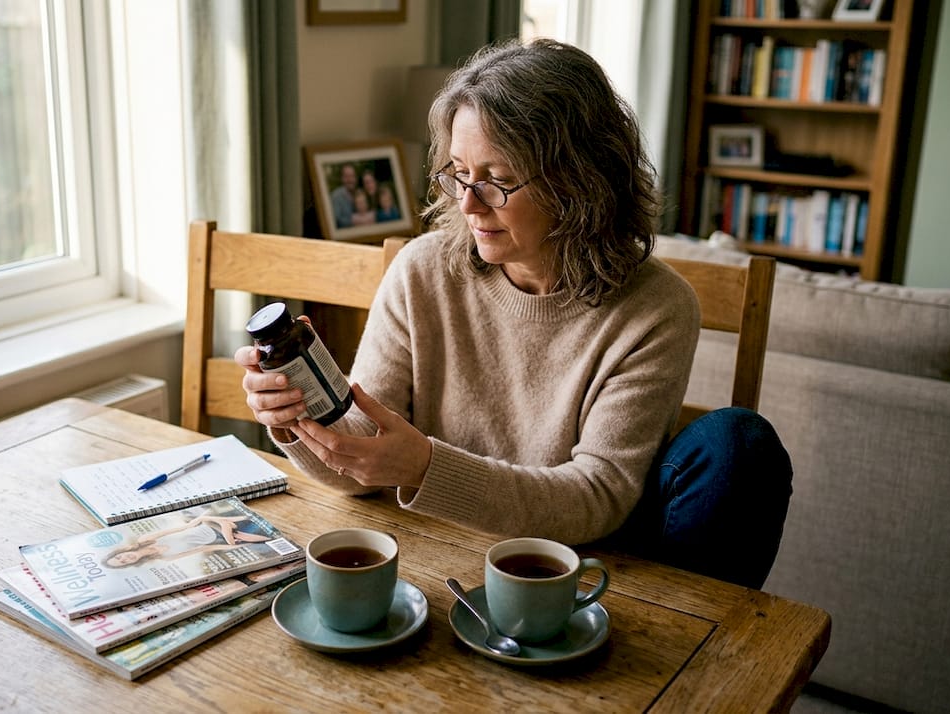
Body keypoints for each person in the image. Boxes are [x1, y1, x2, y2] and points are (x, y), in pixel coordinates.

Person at [235, 39, 791, 589]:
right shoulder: (422, 270)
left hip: (574, 568)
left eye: (496, 181)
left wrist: (424, 467)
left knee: (739, 443)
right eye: (457, 174)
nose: (468, 204)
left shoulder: (654, 308)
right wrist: (295, 415)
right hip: (434, 552)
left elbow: (597, 495)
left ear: (579, 182)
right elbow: (359, 466)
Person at [102, 514, 272, 569]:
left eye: (119, 557)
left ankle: (226, 524)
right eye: (122, 563)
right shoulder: (164, 558)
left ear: (120, 553)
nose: (124, 559)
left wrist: (201, 520)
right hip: (216, 537)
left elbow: (182, 528)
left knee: (237, 533)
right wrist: (229, 546)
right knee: (242, 539)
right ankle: (230, 527)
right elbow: (200, 549)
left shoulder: (144, 540)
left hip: (205, 525)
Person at [330, 163, 358, 228]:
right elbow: (336, 220)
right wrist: (354, 221)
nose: (350, 180)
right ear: (342, 178)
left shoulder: (359, 193)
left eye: (352, 176)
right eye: (347, 176)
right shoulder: (336, 196)